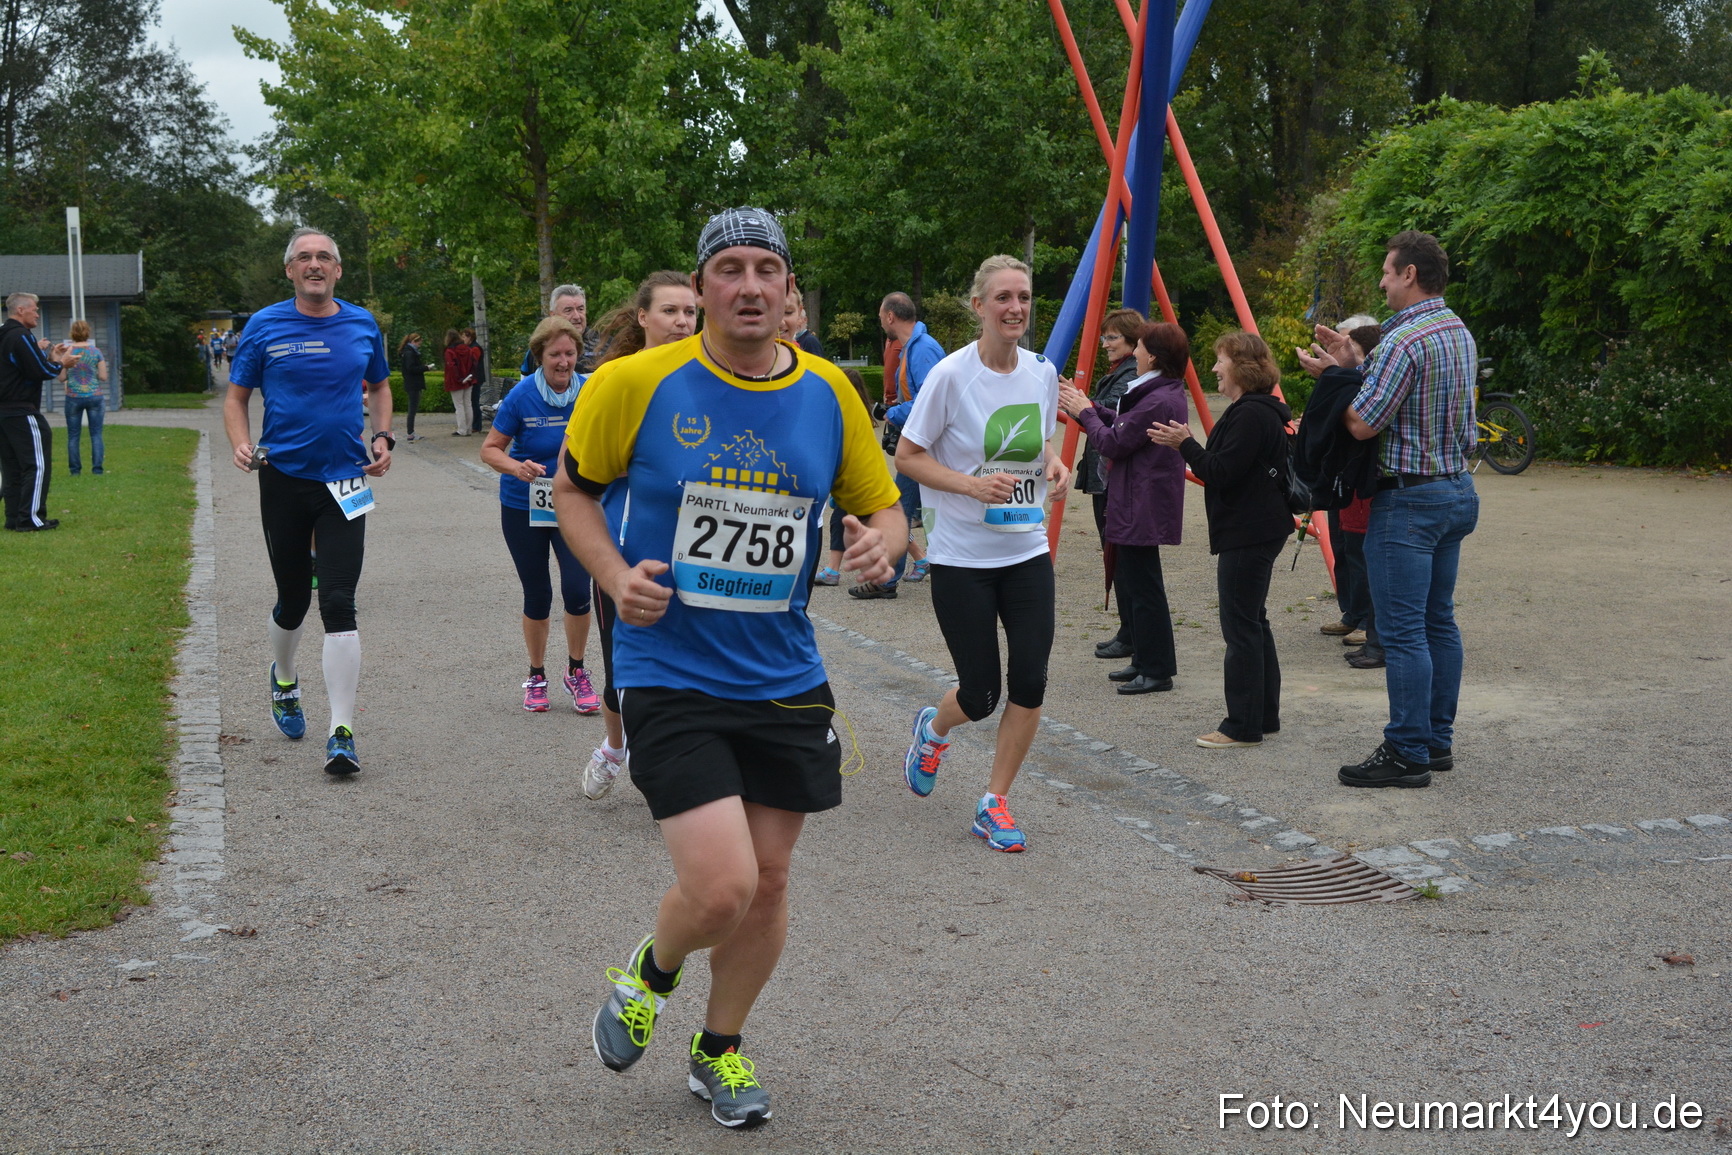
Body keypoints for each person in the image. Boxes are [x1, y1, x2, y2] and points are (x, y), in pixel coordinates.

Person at [553, 207, 902, 1128]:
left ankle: (720, 1050)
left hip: (784, 673)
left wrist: (881, 548)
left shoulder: (831, 393)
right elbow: (573, 491)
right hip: (670, 664)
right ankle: (647, 974)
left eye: (767, 270)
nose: (750, 286)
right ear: (700, 286)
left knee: (773, 880)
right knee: (723, 885)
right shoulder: (634, 382)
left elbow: (884, 508)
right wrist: (616, 574)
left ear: (790, 289)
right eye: (730, 269)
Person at [895, 254, 1070, 852]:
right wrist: (972, 486)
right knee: (982, 693)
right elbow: (908, 457)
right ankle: (935, 727)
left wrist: (1053, 462)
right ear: (978, 306)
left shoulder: (1043, 372)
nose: (1015, 307)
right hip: (962, 558)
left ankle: (993, 801)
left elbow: (1039, 439)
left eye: (1023, 296)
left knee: (1031, 678)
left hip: (1025, 547)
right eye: (1003, 298)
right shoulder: (949, 375)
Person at [1302, 231, 1479, 788]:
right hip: (1454, 490)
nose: (1380, 280)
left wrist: (1336, 378)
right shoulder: (1457, 330)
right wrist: (1355, 359)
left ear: (1408, 274)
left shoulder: (1405, 341)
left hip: (1408, 501)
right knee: (1438, 621)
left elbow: (1362, 422)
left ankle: (1406, 752)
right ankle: (1434, 741)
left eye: (1386, 271)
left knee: (1402, 632)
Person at [224, 227, 393, 777]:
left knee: (339, 601)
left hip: (346, 479)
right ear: (290, 270)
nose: (314, 264)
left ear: (337, 270)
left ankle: (341, 732)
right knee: (293, 598)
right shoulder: (264, 326)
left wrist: (383, 436)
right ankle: (284, 677)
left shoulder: (362, 323)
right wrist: (240, 442)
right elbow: (236, 397)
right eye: (304, 257)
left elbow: (381, 384)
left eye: (324, 257)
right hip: (283, 478)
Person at [576, 270, 700, 801]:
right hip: (628, 543)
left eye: (690, 312)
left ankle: (684, 765)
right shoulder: (616, 379)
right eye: (670, 311)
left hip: (696, 544)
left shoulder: (713, 379)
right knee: (619, 663)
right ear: (643, 317)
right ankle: (614, 747)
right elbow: (577, 471)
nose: (681, 322)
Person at [1149, 332, 1292, 748]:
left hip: (1249, 530)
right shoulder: (1257, 410)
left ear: (1242, 367)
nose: (1214, 368)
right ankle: (1263, 715)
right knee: (1254, 621)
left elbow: (1221, 471)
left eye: (1221, 361)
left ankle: (1242, 725)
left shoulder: (1250, 414)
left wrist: (1185, 443)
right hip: (1258, 526)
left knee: (1241, 627)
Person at [1059, 321, 1188, 694]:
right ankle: (1145, 661)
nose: (1135, 353)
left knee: (1144, 588)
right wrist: (1088, 406)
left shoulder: (1159, 397)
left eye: (1141, 348)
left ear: (1155, 356)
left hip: (1141, 502)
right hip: (1138, 498)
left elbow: (1114, 443)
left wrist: (1085, 412)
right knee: (1135, 583)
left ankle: (1157, 669)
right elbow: (1123, 426)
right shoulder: (1158, 392)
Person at [481, 315, 600, 715]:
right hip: (524, 504)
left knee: (578, 590)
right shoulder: (520, 396)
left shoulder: (592, 391)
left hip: (575, 504)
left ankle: (577, 670)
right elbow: (491, 448)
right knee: (538, 593)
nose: (563, 362)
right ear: (539, 357)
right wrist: (516, 467)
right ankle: (536, 675)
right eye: (555, 355)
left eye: (570, 353)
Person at [851, 291, 943, 599]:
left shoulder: (923, 349)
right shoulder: (912, 348)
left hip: (926, 445)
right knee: (904, 507)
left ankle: (887, 581)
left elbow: (929, 402)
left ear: (891, 316)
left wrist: (890, 412)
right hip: (920, 442)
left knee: (901, 507)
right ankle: (888, 579)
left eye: (880, 316)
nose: (880, 321)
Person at [1070, 307, 1148, 661]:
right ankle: (1128, 628)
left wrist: (1079, 404)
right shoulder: (1121, 371)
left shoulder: (1131, 374)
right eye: (1104, 337)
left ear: (1133, 341)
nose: (1105, 344)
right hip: (1105, 474)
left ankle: (1132, 632)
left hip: (1112, 476)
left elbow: (1112, 418)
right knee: (1114, 556)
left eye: (1112, 337)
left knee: (1121, 559)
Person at [0, 292, 71, 530]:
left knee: (12, 467)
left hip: (3, 413)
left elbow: (21, 368)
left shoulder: (3, 335)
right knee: (36, 465)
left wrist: (46, 357)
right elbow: (38, 371)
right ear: (20, 310)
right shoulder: (20, 336)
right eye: (34, 309)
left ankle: (13, 518)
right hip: (21, 410)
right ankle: (31, 518)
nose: (37, 314)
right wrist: (61, 363)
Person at [814, 367, 875, 585]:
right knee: (841, 521)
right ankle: (832, 569)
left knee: (874, 522)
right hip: (849, 481)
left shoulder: (850, 415)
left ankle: (919, 556)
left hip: (856, 481)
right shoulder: (851, 412)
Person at [59, 319, 108, 476]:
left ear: (72, 333)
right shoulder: (96, 352)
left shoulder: (68, 352)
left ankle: (75, 471)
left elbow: (61, 378)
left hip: (73, 396)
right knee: (96, 434)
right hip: (94, 396)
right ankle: (97, 470)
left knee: (73, 435)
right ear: (88, 332)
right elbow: (103, 376)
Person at [519, 285, 595, 375]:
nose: (577, 316)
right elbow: (525, 384)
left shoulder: (605, 344)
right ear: (553, 315)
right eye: (568, 310)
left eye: (580, 309)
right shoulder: (539, 347)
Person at [444, 328, 480, 435]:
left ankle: (462, 429)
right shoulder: (468, 349)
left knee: (459, 406)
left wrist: (458, 378)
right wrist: (469, 376)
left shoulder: (450, 351)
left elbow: (451, 367)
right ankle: (468, 429)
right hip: (468, 379)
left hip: (456, 382)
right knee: (468, 404)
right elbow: (474, 363)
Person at [779, 287, 825, 358]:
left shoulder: (810, 340)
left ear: (799, 312)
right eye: (772, 313)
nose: (781, 322)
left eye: (788, 312)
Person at [398, 332, 428, 441]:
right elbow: (411, 368)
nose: (420, 344)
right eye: (419, 342)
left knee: (413, 408)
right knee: (412, 409)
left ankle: (411, 432)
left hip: (411, 383)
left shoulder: (407, 352)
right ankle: (410, 432)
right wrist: (425, 368)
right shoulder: (410, 353)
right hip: (413, 383)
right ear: (413, 341)